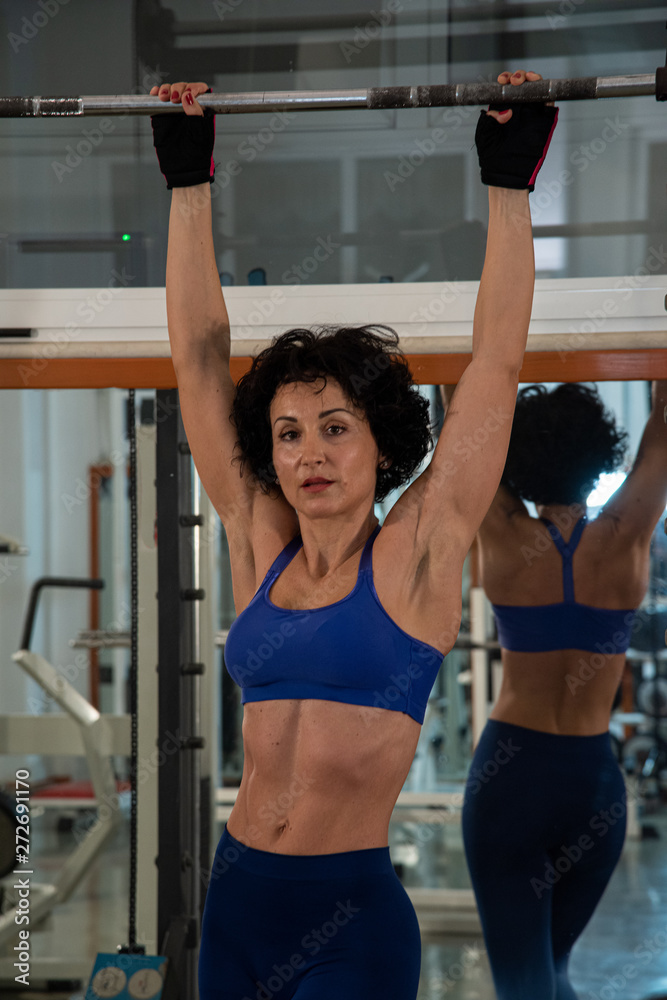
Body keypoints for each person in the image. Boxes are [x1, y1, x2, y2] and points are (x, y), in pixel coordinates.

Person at [150, 71, 558, 1000]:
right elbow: (198, 358)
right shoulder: (260, 544)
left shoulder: (416, 549)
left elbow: (495, 356)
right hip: (238, 900)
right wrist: (186, 179)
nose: (308, 454)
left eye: (336, 427)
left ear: (382, 444)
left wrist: (507, 179)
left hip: (348, 922)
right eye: (289, 433)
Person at [450, 379, 667, 999]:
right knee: (554, 971)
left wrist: (464, 350)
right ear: (601, 453)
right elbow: (665, 421)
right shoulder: (627, 531)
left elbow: (462, 426)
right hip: (594, 786)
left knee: (526, 983)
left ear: (519, 458)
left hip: (511, 780)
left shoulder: (503, 530)